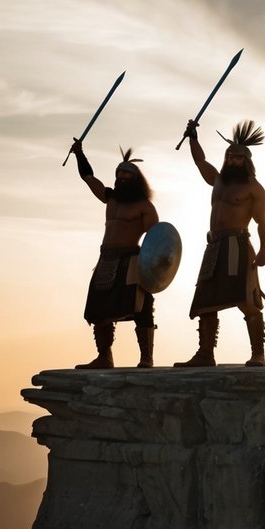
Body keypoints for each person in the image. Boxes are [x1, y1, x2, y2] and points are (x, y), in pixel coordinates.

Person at [175, 120, 265, 367]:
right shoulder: (217, 180)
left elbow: (262, 222)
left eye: (237, 157)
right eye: (229, 156)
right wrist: (193, 138)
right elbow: (200, 161)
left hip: (237, 246)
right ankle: (205, 354)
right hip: (214, 246)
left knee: (244, 299)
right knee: (206, 300)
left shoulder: (254, 189)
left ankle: (257, 353)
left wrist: (264, 249)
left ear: (246, 161)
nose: (231, 161)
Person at [69, 142, 160, 368]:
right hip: (106, 259)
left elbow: (157, 240)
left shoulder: (144, 207)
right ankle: (104, 357)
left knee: (141, 306)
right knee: (99, 309)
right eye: (118, 173)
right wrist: (80, 154)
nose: (120, 177)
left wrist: (155, 268)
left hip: (131, 261)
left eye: (126, 174)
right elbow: (89, 178)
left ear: (136, 179)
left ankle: (146, 357)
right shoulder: (110, 198)